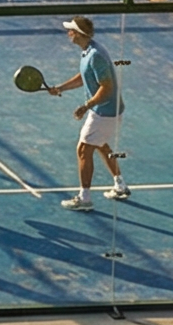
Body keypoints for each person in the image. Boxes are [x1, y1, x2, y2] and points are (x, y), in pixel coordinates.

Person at [46, 16, 129, 209]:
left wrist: (86, 106)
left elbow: (106, 88)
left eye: (71, 31)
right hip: (104, 110)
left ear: (79, 34)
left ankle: (84, 199)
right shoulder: (88, 52)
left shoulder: (96, 55)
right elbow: (84, 77)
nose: (68, 33)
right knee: (100, 145)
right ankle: (120, 184)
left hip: (105, 111)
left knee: (83, 150)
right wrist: (60, 88)